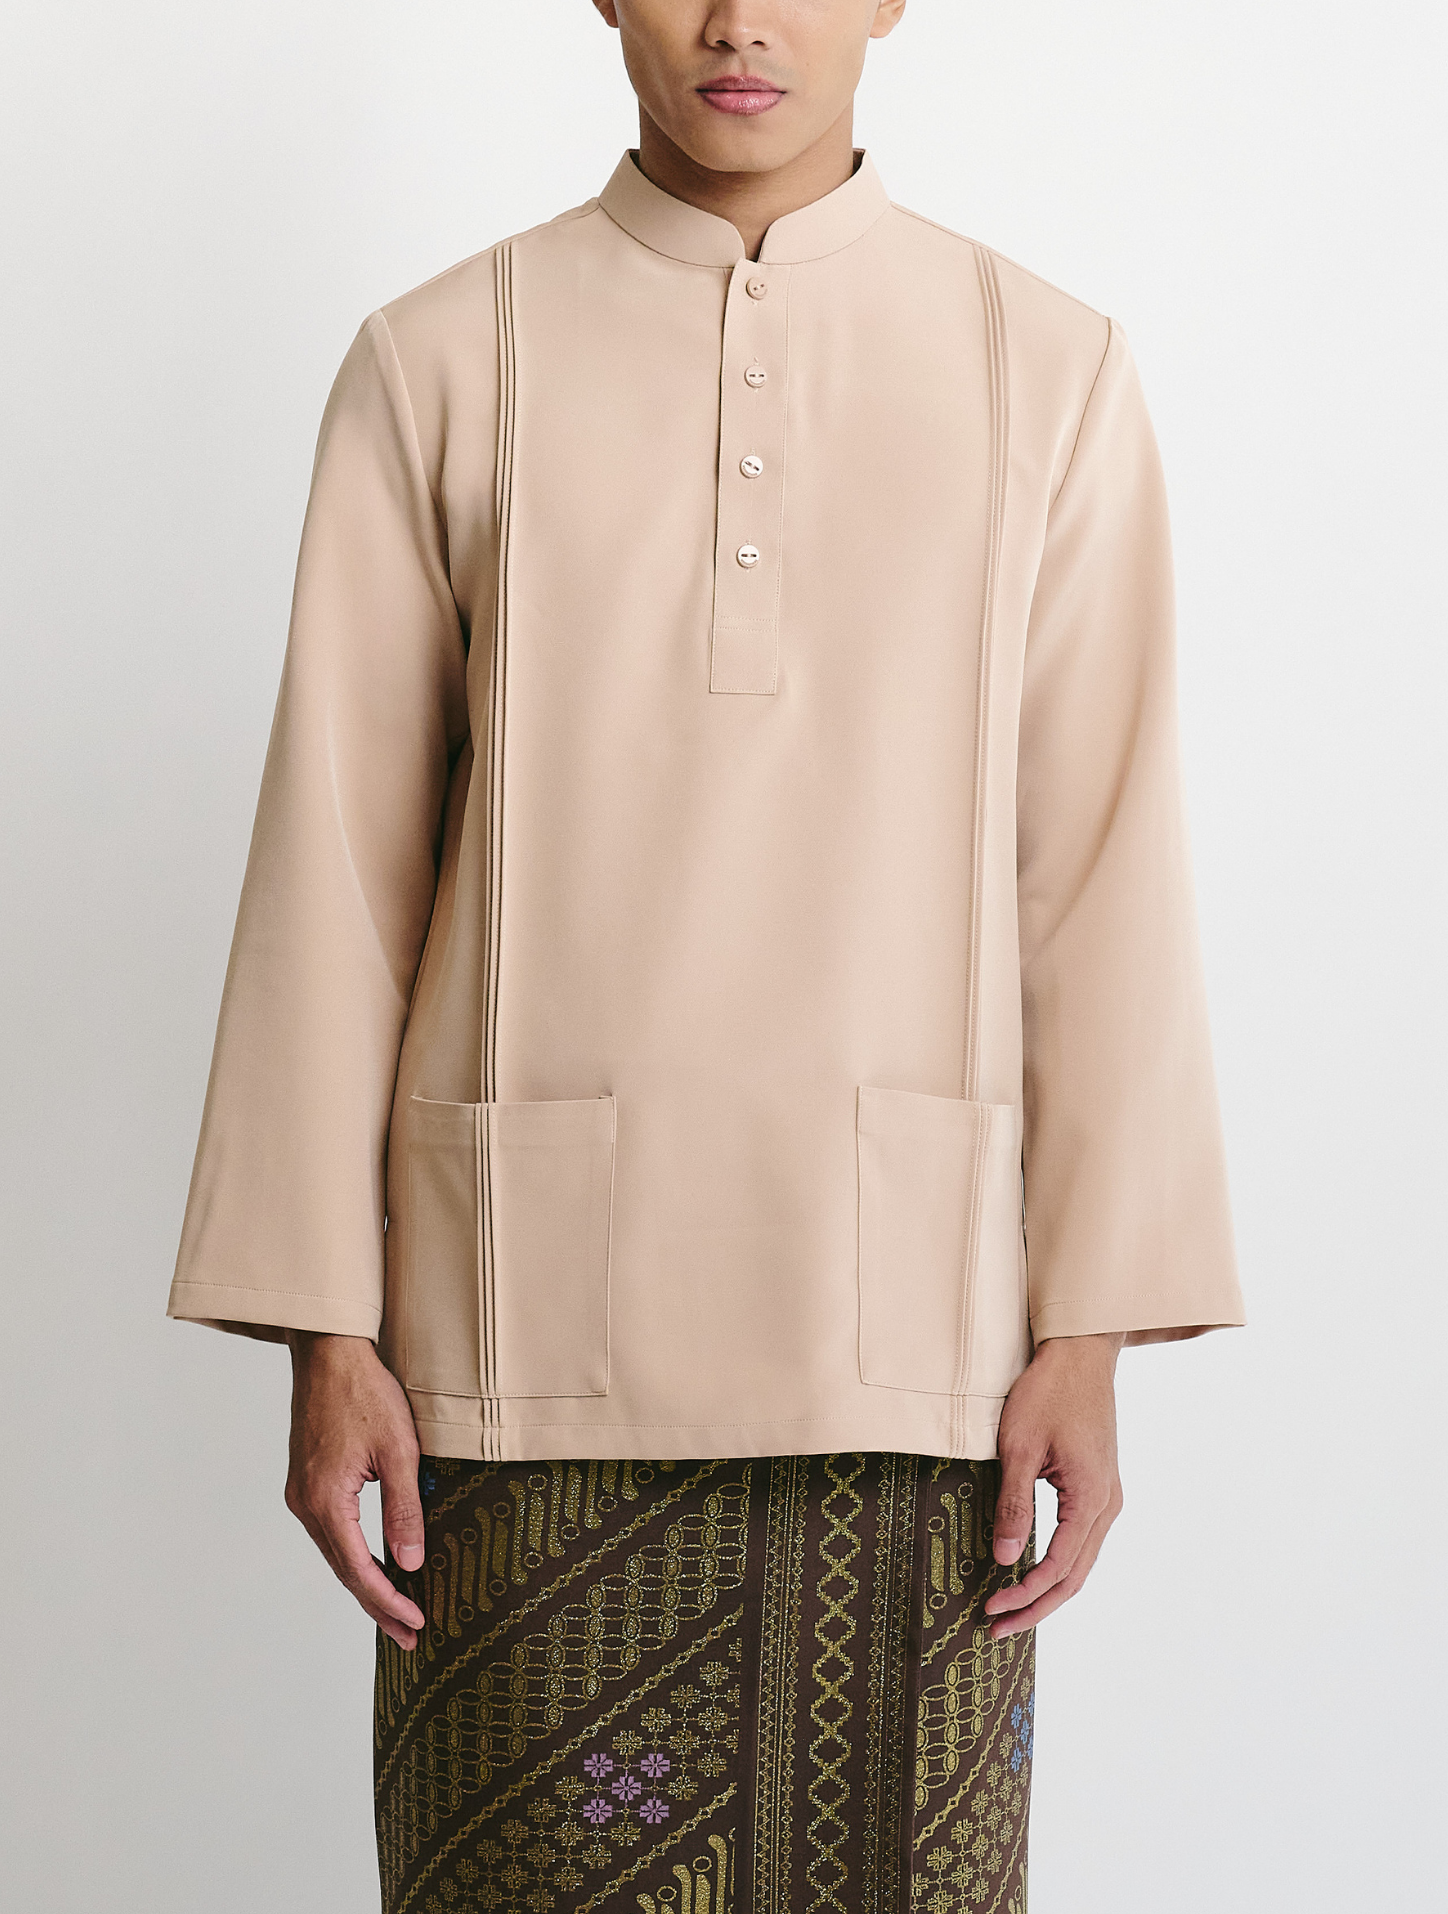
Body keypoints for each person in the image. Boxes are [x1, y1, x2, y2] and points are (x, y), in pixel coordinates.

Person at [168, 3, 1245, 1907]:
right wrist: (327, 1326)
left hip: (915, 1369)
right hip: (512, 1365)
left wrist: (1089, 1326)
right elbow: (337, 874)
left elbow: (1096, 871)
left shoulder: (1048, 367)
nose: (741, 20)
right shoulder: (443, 358)